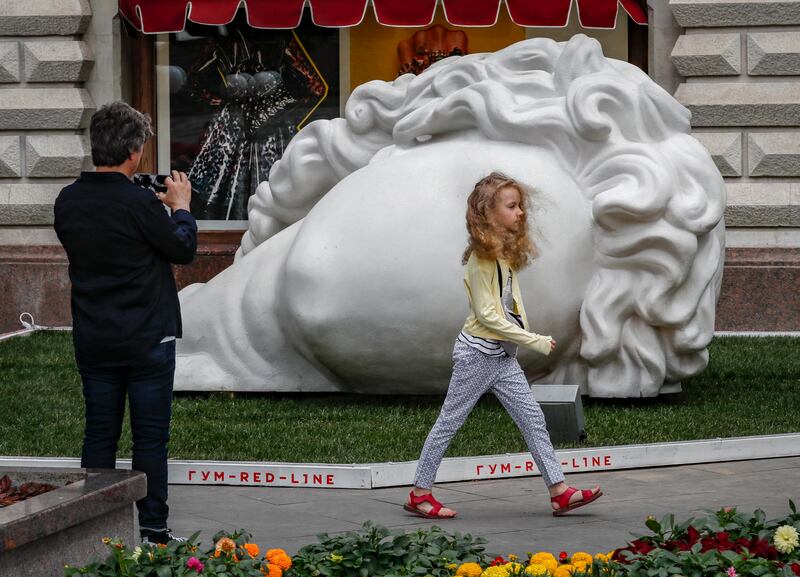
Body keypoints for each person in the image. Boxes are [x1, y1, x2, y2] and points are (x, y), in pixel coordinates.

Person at [404, 172, 602, 519]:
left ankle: (559, 491)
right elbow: (489, 316)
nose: (521, 212)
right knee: (449, 422)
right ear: (488, 213)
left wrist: (521, 336)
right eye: (512, 206)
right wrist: (534, 340)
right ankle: (420, 493)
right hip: (478, 355)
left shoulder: (501, 257)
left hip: (501, 357)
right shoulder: (481, 262)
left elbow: (511, 306)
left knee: (532, 419)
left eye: (520, 205)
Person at [53, 101, 197, 544]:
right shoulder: (139, 203)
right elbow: (181, 248)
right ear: (134, 151)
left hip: (95, 335)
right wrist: (180, 207)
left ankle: (94, 529)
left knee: (99, 435)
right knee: (149, 440)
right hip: (147, 337)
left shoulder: (68, 201)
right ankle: (153, 531)